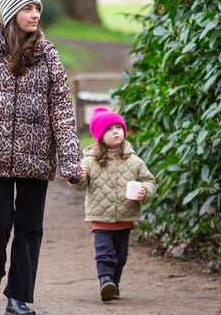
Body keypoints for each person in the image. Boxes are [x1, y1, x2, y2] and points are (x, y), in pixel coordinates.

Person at [0, 0, 81, 315]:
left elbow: (62, 112)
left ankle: (19, 298)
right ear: (12, 14)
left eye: (37, 8)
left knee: (30, 228)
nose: (35, 14)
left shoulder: (49, 55)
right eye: (28, 9)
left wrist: (70, 160)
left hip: (36, 160)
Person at [69, 107, 156, 303]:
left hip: (126, 216)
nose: (116, 131)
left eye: (119, 127)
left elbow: (149, 180)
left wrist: (144, 191)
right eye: (109, 129)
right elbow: (80, 186)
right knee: (105, 253)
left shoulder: (134, 160)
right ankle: (105, 280)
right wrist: (76, 178)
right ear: (100, 136)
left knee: (121, 256)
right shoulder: (90, 161)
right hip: (100, 217)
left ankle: (113, 285)